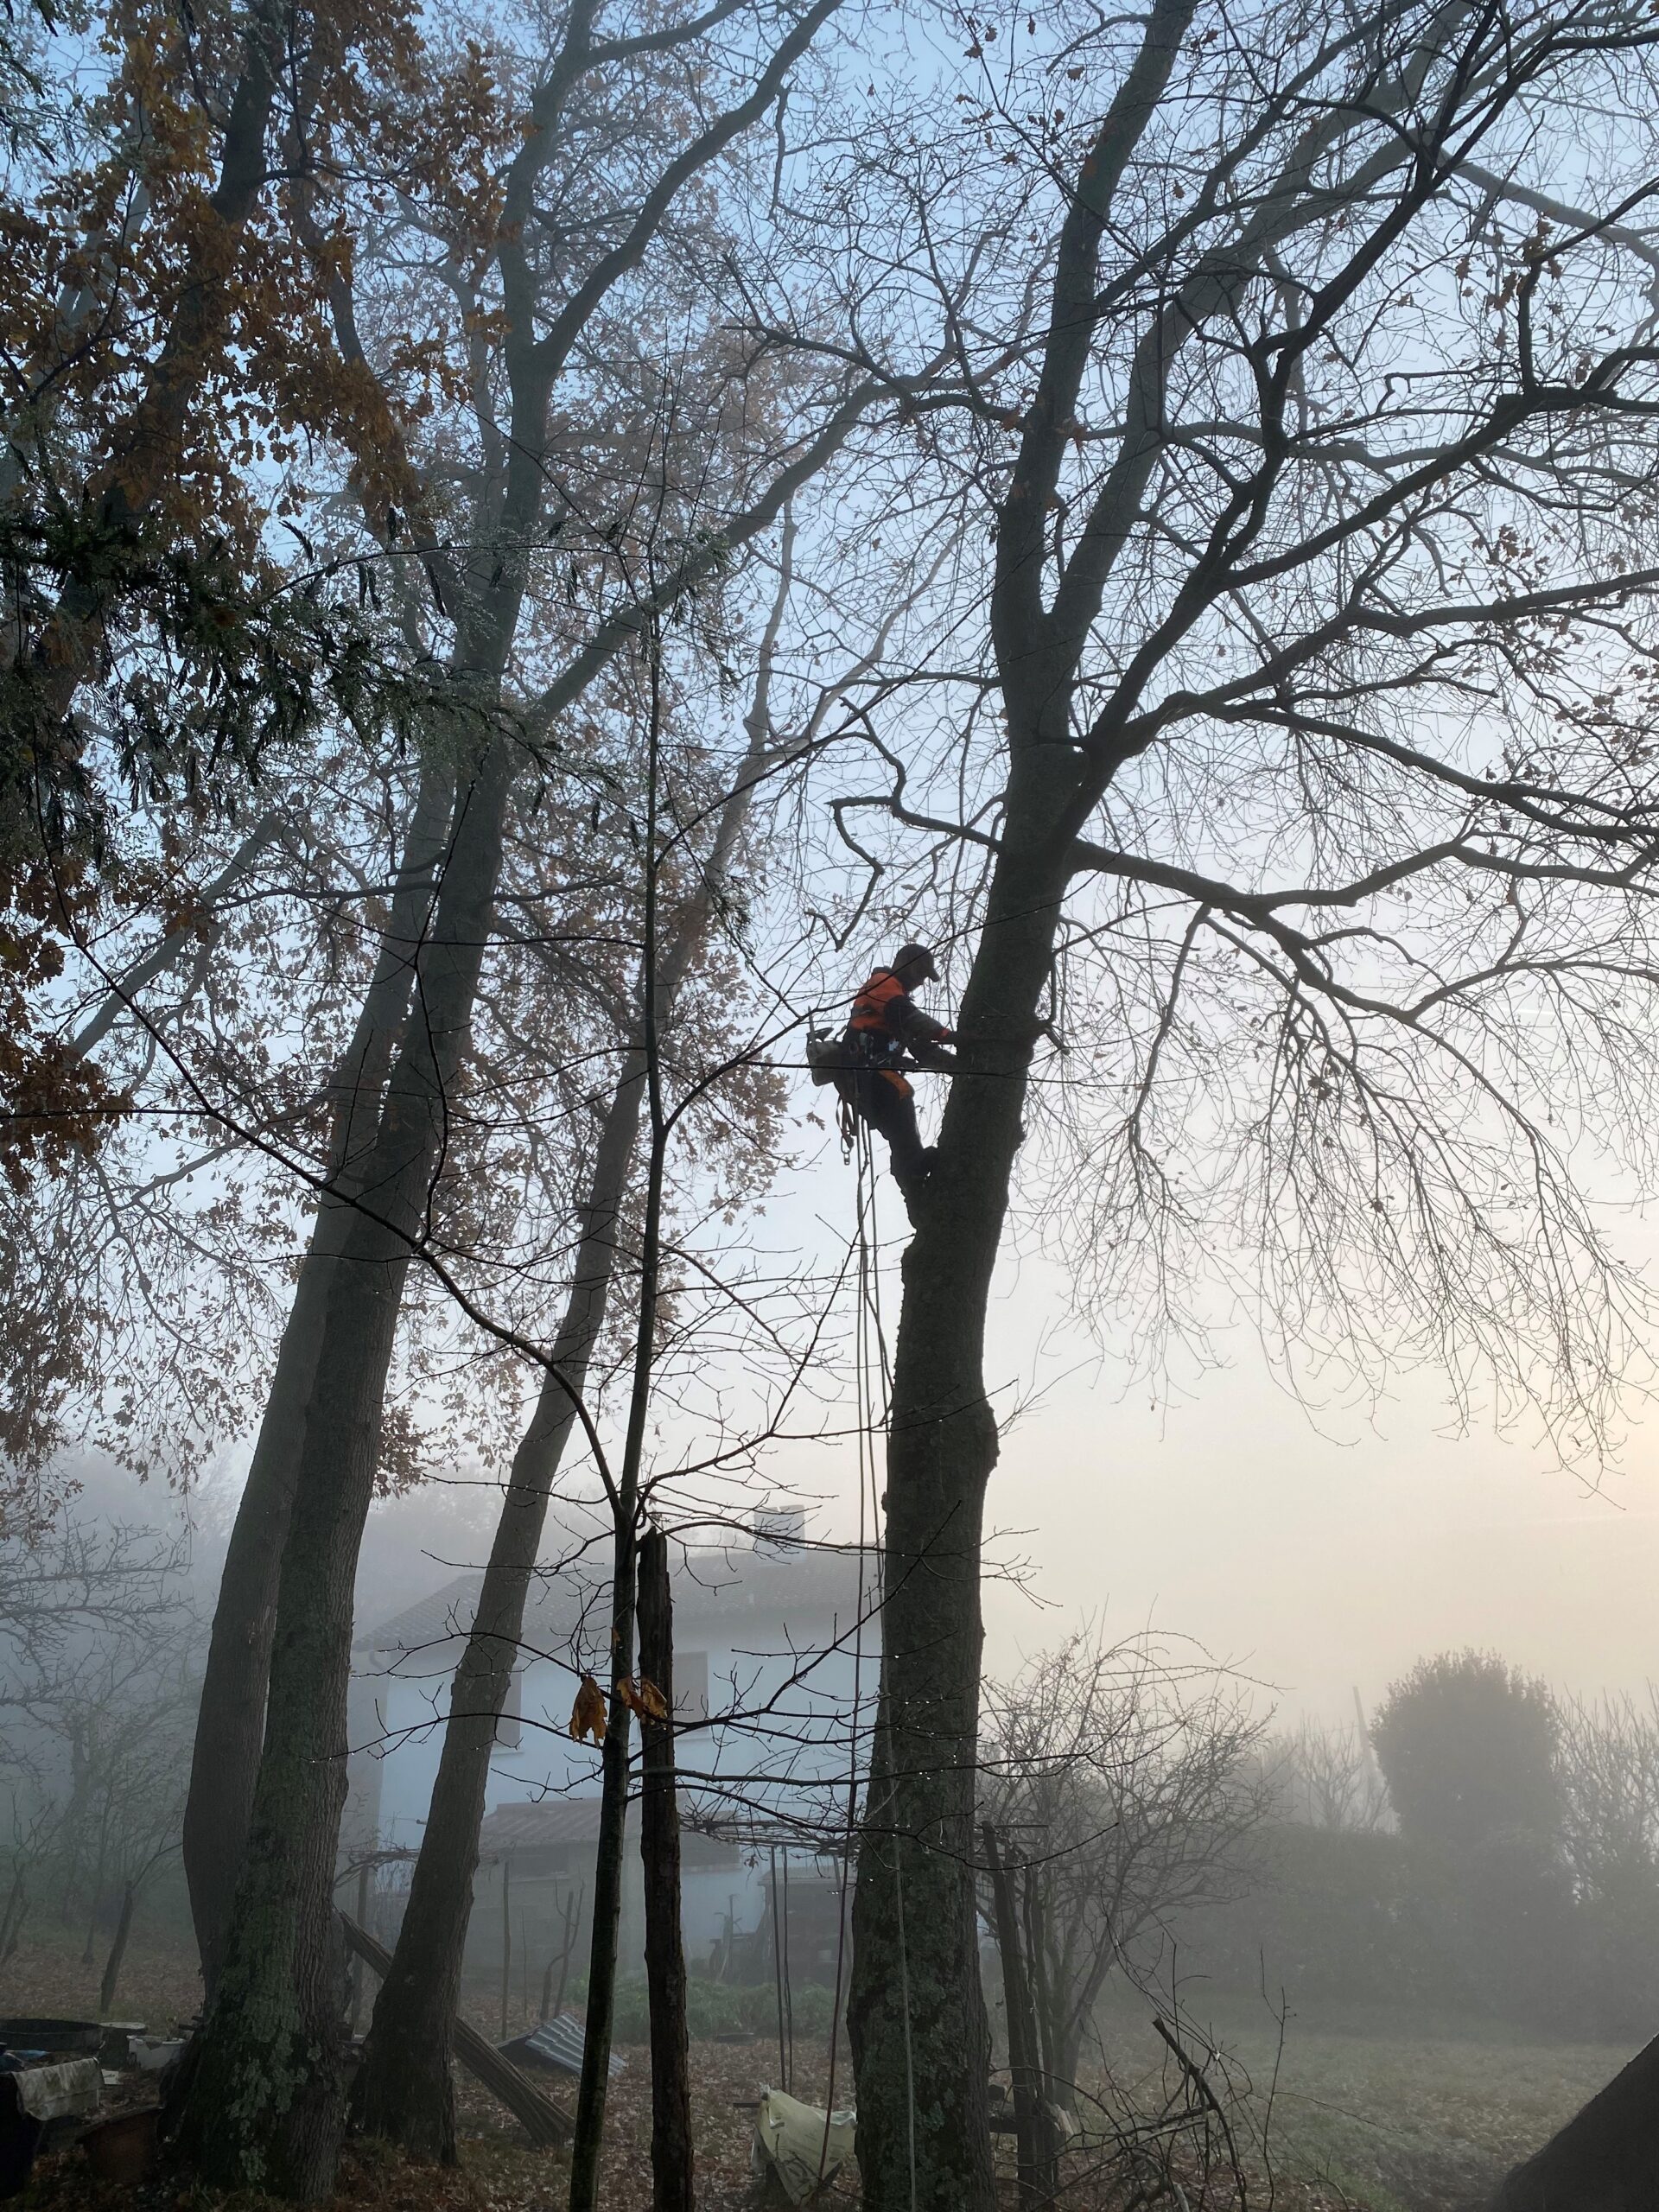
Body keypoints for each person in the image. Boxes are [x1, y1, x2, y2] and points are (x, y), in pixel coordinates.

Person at [842, 943, 956, 1217]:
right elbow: (909, 1017)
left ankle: (914, 1192)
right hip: (867, 1070)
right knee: (902, 1096)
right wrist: (950, 1036)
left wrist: (958, 1066)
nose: (920, 981)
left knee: (899, 1129)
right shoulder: (883, 983)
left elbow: (919, 1046)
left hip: (871, 1075)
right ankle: (913, 1170)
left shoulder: (896, 997)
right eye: (920, 973)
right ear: (904, 961)